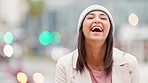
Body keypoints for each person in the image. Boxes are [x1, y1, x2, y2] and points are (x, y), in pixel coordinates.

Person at [55, 4, 140, 83]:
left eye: (103, 18)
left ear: (109, 30)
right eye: (90, 17)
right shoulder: (64, 65)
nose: (97, 21)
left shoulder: (130, 63)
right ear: (81, 29)